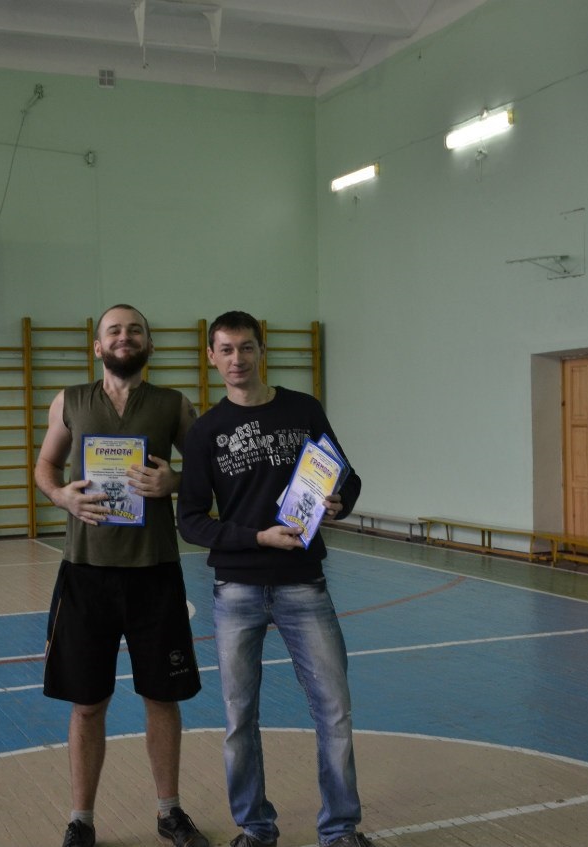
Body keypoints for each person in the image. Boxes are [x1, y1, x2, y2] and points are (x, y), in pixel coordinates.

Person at [177, 310, 371, 847]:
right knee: (239, 719)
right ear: (211, 358)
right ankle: (256, 829)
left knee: (334, 710)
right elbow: (190, 520)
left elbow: (346, 477)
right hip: (236, 590)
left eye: (246, 347)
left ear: (262, 351)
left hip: (304, 585)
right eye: (226, 350)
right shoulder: (205, 431)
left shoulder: (303, 408)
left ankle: (340, 830)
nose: (237, 359)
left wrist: (339, 501)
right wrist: (257, 537)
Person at [36, 304, 209, 847]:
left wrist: (173, 482)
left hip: (155, 572)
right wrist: (61, 495)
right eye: (114, 330)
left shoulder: (174, 404)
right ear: (97, 345)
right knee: (87, 704)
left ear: (149, 344)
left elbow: (206, 469)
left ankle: (169, 813)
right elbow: (45, 466)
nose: (125, 336)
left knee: (162, 698)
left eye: (135, 330)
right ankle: (81, 820)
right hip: (85, 573)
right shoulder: (69, 401)